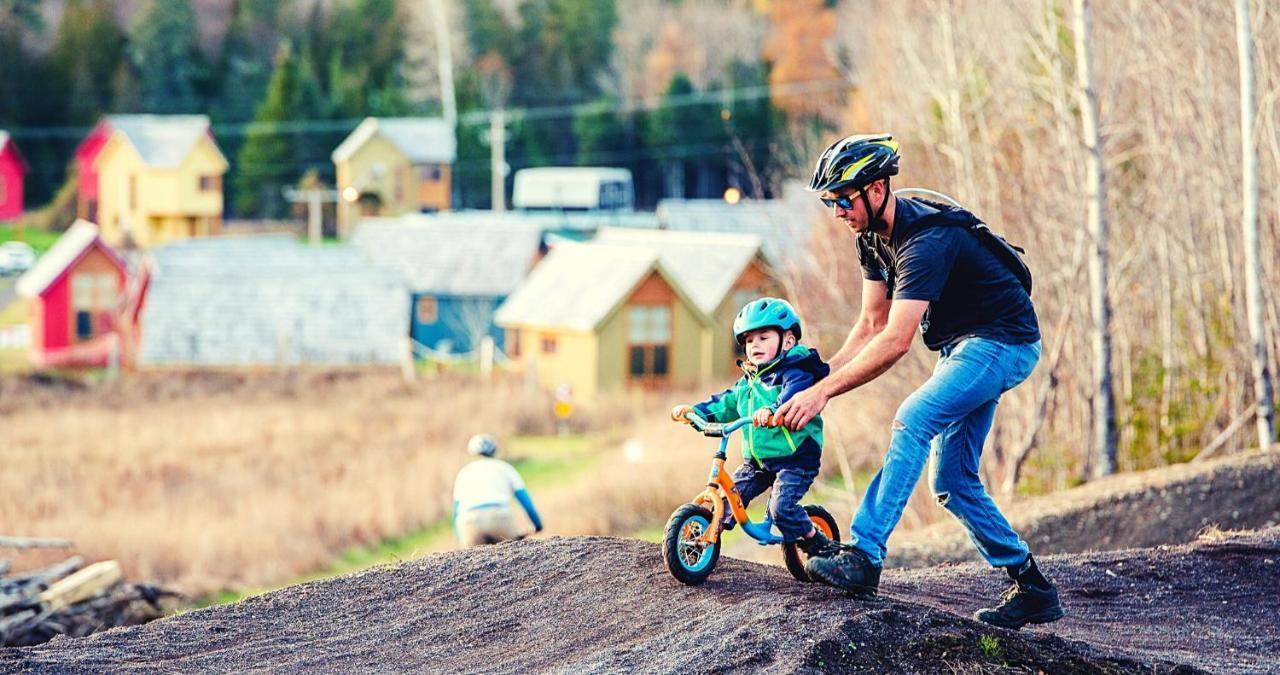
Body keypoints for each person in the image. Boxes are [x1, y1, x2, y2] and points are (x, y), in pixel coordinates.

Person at [776, 133, 1064, 630]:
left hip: (1004, 342)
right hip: (963, 347)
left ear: (878, 188)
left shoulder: (926, 240)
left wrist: (825, 392)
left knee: (913, 418)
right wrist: (819, 379)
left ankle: (865, 556)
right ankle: (1033, 587)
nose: (839, 210)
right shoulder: (870, 237)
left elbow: (895, 341)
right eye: (831, 202)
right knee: (950, 480)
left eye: (844, 198)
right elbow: (869, 323)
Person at [671, 298, 841, 559]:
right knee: (728, 496)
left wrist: (773, 410)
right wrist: (696, 413)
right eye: (750, 341)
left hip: (795, 458)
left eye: (763, 337)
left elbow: (794, 393)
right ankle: (700, 542)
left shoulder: (795, 371)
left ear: (788, 341)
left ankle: (817, 542)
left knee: (782, 508)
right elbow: (726, 403)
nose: (755, 345)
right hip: (759, 462)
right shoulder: (748, 382)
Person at [452, 434, 543, 547]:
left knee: (472, 560)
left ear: (472, 453)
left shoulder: (464, 473)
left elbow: (456, 510)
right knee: (513, 556)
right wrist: (537, 524)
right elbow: (525, 501)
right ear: (494, 451)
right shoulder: (505, 468)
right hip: (499, 517)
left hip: (469, 521)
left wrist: (458, 537)